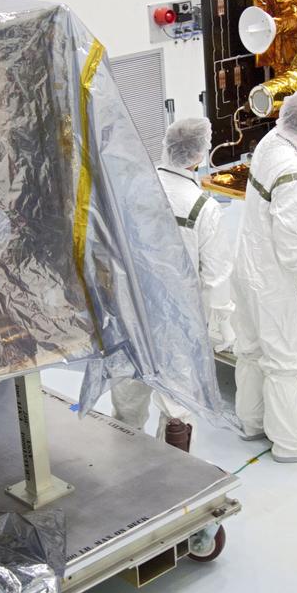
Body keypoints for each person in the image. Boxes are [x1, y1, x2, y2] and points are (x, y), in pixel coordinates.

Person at [110, 117, 234, 447]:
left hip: (132, 308)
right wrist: (219, 326)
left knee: (128, 391)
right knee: (178, 405)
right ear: (198, 156)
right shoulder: (202, 208)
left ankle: (125, 465)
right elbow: (215, 276)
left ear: (167, 146)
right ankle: (173, 481)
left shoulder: (133, 186)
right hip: (178, 320)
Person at [230, 91, 297, 464]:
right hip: (276, 280)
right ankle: (292, 443)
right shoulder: (292, 174)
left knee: (251, 349)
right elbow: (289, 241)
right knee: (282, 361)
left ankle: (252, 421)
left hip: (249, 265)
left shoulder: (271, 141)